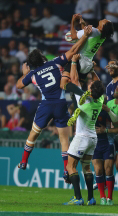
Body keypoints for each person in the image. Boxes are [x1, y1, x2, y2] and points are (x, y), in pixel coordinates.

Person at [16, 26, 92, 174]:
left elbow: (19, 85)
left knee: (33, 134)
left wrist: (24, 73)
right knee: (64, 140)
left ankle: (24, 161)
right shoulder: (56, 62)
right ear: (43, 58)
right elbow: (73, 50)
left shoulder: (32, 74)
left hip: (46, 105)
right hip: (61, 104)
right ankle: (66, 170)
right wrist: (84, 37)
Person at [62, 54, 104, 206]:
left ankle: (78, 198)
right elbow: (99, 84)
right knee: (86, 167)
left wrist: (73, 62)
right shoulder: (99, 100)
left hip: (81, 137)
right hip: (93, 138)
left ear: (91, 90)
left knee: (70, 166)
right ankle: (91, 198)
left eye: (91, 84)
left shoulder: (83, 100)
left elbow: (74, 81)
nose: (89, 84)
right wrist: (92, 70)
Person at [66, 14, 114, 85]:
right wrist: (83, 24)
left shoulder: (93, 31)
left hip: (79, 60)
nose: (104, 19)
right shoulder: (103, 36)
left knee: (65, 81)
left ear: (101, 27)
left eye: (105, 21)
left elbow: (73, 36)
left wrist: (72, 21)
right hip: (87, 65)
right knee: (79, 86)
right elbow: (87, 37)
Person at [92, 97, 115, 205]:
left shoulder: (106, 112)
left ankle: (109, 198)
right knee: (98, 170)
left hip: (107, 143)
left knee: (109, 170)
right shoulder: (89, 110)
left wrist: (108, 111)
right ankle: (102, 197)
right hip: (94, 143)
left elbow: (116, 121)